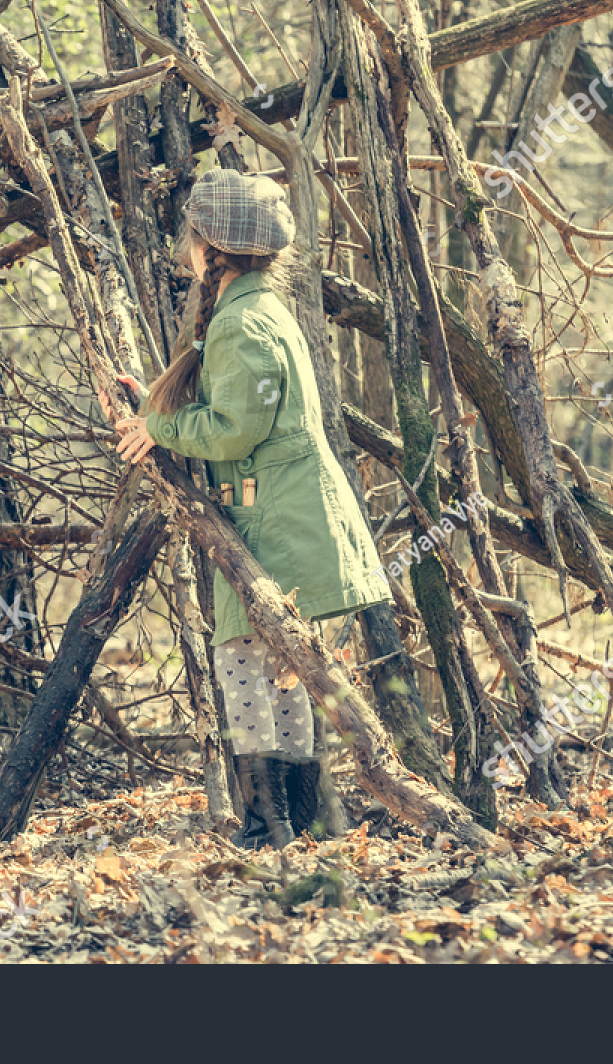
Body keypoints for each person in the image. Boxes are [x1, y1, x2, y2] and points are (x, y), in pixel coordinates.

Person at [100, 168, 392, 848]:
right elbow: (236, 410)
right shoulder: (253, 311)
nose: (184, 244)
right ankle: (292, 825)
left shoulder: (242, 322)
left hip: (277, 524)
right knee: (280, 675)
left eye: (191, 234)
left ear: (210, 246)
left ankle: (270, 829)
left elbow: (235, 428)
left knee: (250, 673)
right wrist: (157, 405)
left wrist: (159, 430)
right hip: (278, 518)